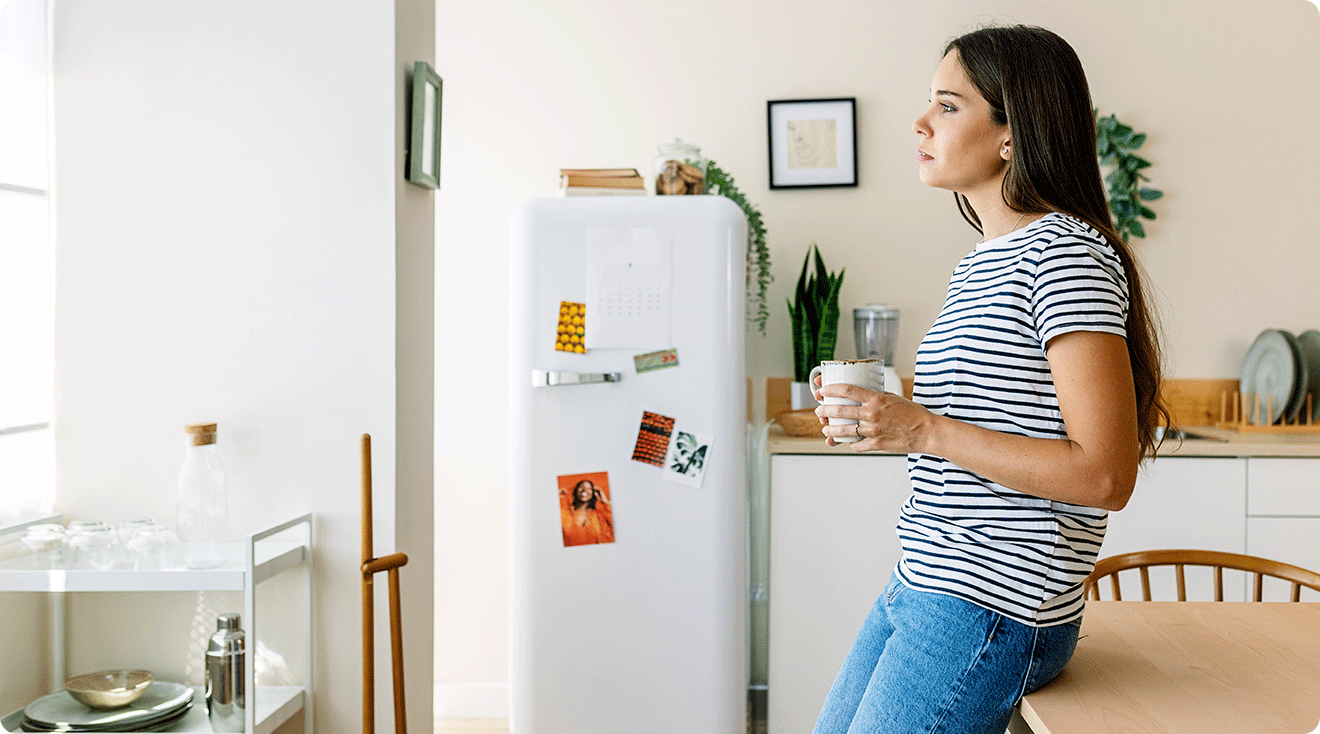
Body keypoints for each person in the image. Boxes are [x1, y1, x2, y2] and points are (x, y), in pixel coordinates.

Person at [811, 24, 1168, 734]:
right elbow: (989, 416)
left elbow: (1105, 475)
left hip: (992, 605)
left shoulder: (1065, 254)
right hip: (924, 581)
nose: (919, 122)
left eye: (947, 105)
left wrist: (922, 427)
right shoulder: (982, 259)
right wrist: (889, 416)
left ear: (1014, 132)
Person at [560, 479, 614, 546]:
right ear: (575, 491)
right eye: (581, 487)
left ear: (593, 493)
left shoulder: (599, 516)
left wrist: (606, 502)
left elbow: (616, 528)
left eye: (589, 488)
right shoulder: (564, 513)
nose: (584, 490)